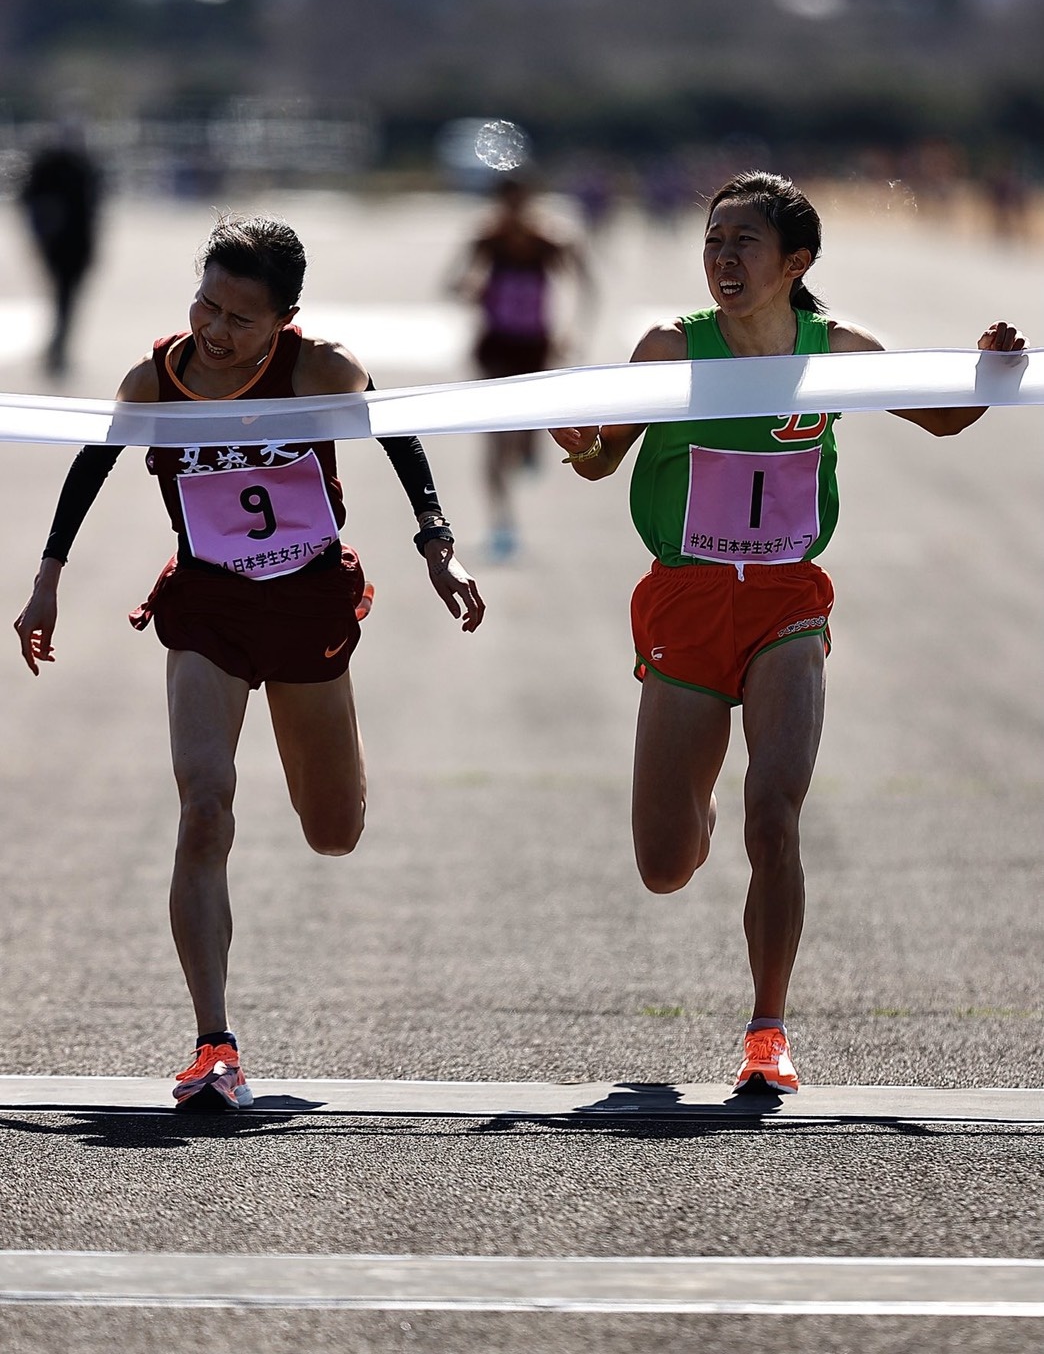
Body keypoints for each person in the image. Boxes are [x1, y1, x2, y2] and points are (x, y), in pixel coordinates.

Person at [550, 170, 1026, 1096]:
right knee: (664, 865)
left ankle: (767, 1029)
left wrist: (990, 368)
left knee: (778, 814)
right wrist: (583, 445)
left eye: (744, 244)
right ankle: (699, 804)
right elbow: (604, 459)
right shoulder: (669, 348)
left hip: (786, 603)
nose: (723, 259)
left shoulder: (837, 349)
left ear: (795, 261)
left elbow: (946, 416)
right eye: (713, 242)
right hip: (686, 602)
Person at [14, 215, 485, 1114]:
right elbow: (91, 464)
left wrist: (437, 547)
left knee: (333, 830)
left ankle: (331, 787)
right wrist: (48, 581)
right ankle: (213, 1044)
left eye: (240, 317)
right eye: (206, 304)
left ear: (286, 321)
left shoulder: (322, 369)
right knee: (203, 803)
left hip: (305, 602)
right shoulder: (157, 377)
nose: (216, 331)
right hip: (208, 607)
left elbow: (401, 440)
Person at [451, 175, 594, 558]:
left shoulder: (547, 241)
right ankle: (501, 521)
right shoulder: (487, 239)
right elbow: (452, 283)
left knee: (519, 437)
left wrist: (572, 330)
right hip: (496, 347)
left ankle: (529, 444)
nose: (512, 214)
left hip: (534, 348)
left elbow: (585, 284)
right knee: (496, 439)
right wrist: (470, 289)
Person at [18, 125, 102, 377]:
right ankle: (58, 344)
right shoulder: (58, 166)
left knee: (65, 296)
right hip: (59, 245)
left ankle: (58, 344)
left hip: (71, 245)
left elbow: (93, 210)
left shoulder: (82, 165)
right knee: (64, 296)